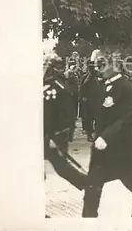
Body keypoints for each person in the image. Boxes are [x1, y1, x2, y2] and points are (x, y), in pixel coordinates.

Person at [82, 55, 132, 217]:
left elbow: (127, 118)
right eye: (99, 64)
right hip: (101, 151)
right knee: (92, 188)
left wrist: (106, 136)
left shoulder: (126, 88)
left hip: (120, 150)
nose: (100, 68)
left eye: (103, 64)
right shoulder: (100, 86)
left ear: (116, 66)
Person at [43, 50, 87, 206]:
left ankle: (88, 185)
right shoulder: (43, 85)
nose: (44, 68)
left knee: (62, 167)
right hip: (42, 135)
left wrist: (57, 137)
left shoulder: (58, 87)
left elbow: (66, 114)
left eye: (46, 65)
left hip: (52, 136)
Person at [79, 61, 105, 142]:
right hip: (89, 102)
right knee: (89, 120)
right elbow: (81, 89)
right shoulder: (85, 77)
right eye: (90, 67)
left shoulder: (100, 75)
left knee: (99, 119)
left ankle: (98, 135)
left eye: (93, 67)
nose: (92, 69)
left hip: (98, 100)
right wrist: (83, 99)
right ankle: (89, 135)